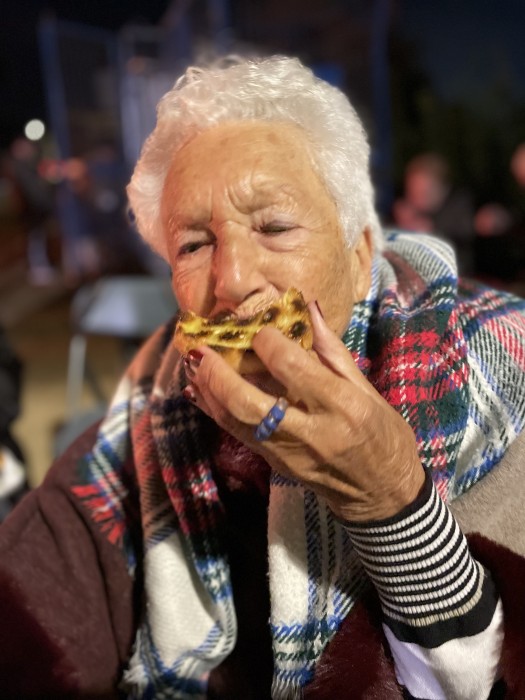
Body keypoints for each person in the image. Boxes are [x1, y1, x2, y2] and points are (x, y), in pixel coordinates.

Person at [1, 56, 525, 700]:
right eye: (193, 245)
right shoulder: (158, 392)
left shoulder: (496, 376)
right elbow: (42, 582)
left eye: (274, 227)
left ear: (359, 254)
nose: (232, 280)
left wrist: (395, 508)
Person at [392, 152, 475, 276]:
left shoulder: (459, 207)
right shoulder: (403, 211)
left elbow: (464, 229)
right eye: (413, 193)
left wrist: (430, 230)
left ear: (444, 189)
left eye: (425, 193)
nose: (417, 200)